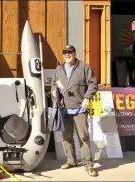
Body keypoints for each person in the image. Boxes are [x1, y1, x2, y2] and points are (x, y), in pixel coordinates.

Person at [51, 45, 98, 177]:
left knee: (83, 137)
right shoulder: (59, 69)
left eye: (70, 52)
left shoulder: (84, 67)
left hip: (80, 108)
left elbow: (93, 83)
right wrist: (54, 94)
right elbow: (54, 85)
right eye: (65, 52)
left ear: (74, 53)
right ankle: (71, 160)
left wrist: (87, 98)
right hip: (64, 109)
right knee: (66, 137)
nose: (67, 54)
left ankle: (88, 164)